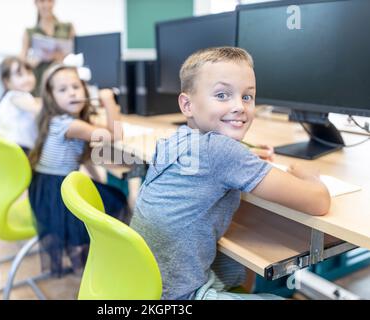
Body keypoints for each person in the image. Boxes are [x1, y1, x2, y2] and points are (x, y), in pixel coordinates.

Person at [130, 47, 331, 300]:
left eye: (247, 97)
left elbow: (215, 158)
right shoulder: (222, 153)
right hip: (181, 295)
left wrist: (247, 154)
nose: (239, 106)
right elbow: (318, 202)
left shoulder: (175, 139)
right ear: (187, 104)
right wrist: (308, 176)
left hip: (143, 282)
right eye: (222, 95)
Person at [28, 63, 128, 276]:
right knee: (116, 199)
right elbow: (116, 136)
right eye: (62, 90)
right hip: (56, 192)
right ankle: (90, 262)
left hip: (48, 188)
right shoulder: (70, 126)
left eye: (76, 86)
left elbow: (82, 158)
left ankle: (81, 260)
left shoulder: (61, 121)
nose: (72, 93)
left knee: (106, 193)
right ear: (51, 97)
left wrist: (96, 179)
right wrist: (110, 101)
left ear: (84, 90)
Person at [21, 0, 76, 96]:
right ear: (36, 3)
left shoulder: (67, 27)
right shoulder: (29, 32)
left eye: (49, 1)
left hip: (63, 78)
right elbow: (21, 60)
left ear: (54, 2)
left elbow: (77, 55)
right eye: (42, 1)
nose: (46, 5)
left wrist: (58, 56)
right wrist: (35, 60)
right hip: (39, 80)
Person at [0, 56, 41, 154]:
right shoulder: (15, 96)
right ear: (7, 81)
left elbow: (35, 101)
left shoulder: (19, 95)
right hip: (16, 149)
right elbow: (35, 108)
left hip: (12, 147)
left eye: (29, 73)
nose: (27, 78)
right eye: (19, 75)